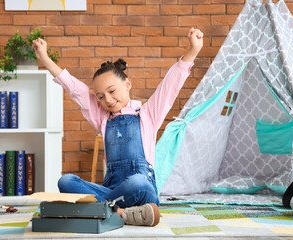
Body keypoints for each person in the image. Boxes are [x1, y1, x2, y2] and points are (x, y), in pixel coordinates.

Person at [32, 27, 203, 227]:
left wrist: (193, 51)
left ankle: (99, 210)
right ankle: (121, 213)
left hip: (140, 192)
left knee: (137, 182)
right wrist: (45, 58)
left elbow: (170, 85)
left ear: (127, 84)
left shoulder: (147, 114)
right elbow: (74, 88)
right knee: (66, 181)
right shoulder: (103, 119)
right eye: (101, 96)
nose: (108, 100)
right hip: (112, 191)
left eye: (112, 91)